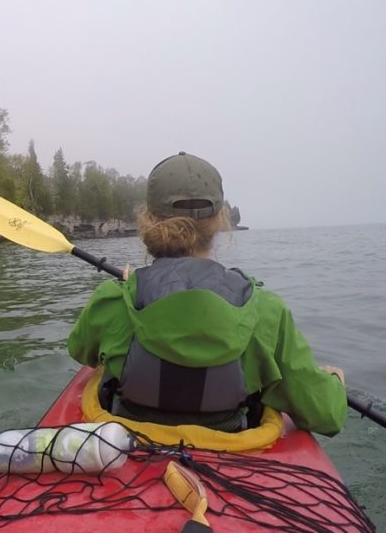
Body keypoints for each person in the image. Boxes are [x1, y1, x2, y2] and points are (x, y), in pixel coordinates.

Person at [66, 152, 347, 436]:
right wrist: (334, 382)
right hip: (232, 451)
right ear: (220, 218)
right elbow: (326, 415)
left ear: (149, 220)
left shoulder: (112, 300)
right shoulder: (267, 311)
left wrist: (126, 291)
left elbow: (80, 350)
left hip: (129, 450)